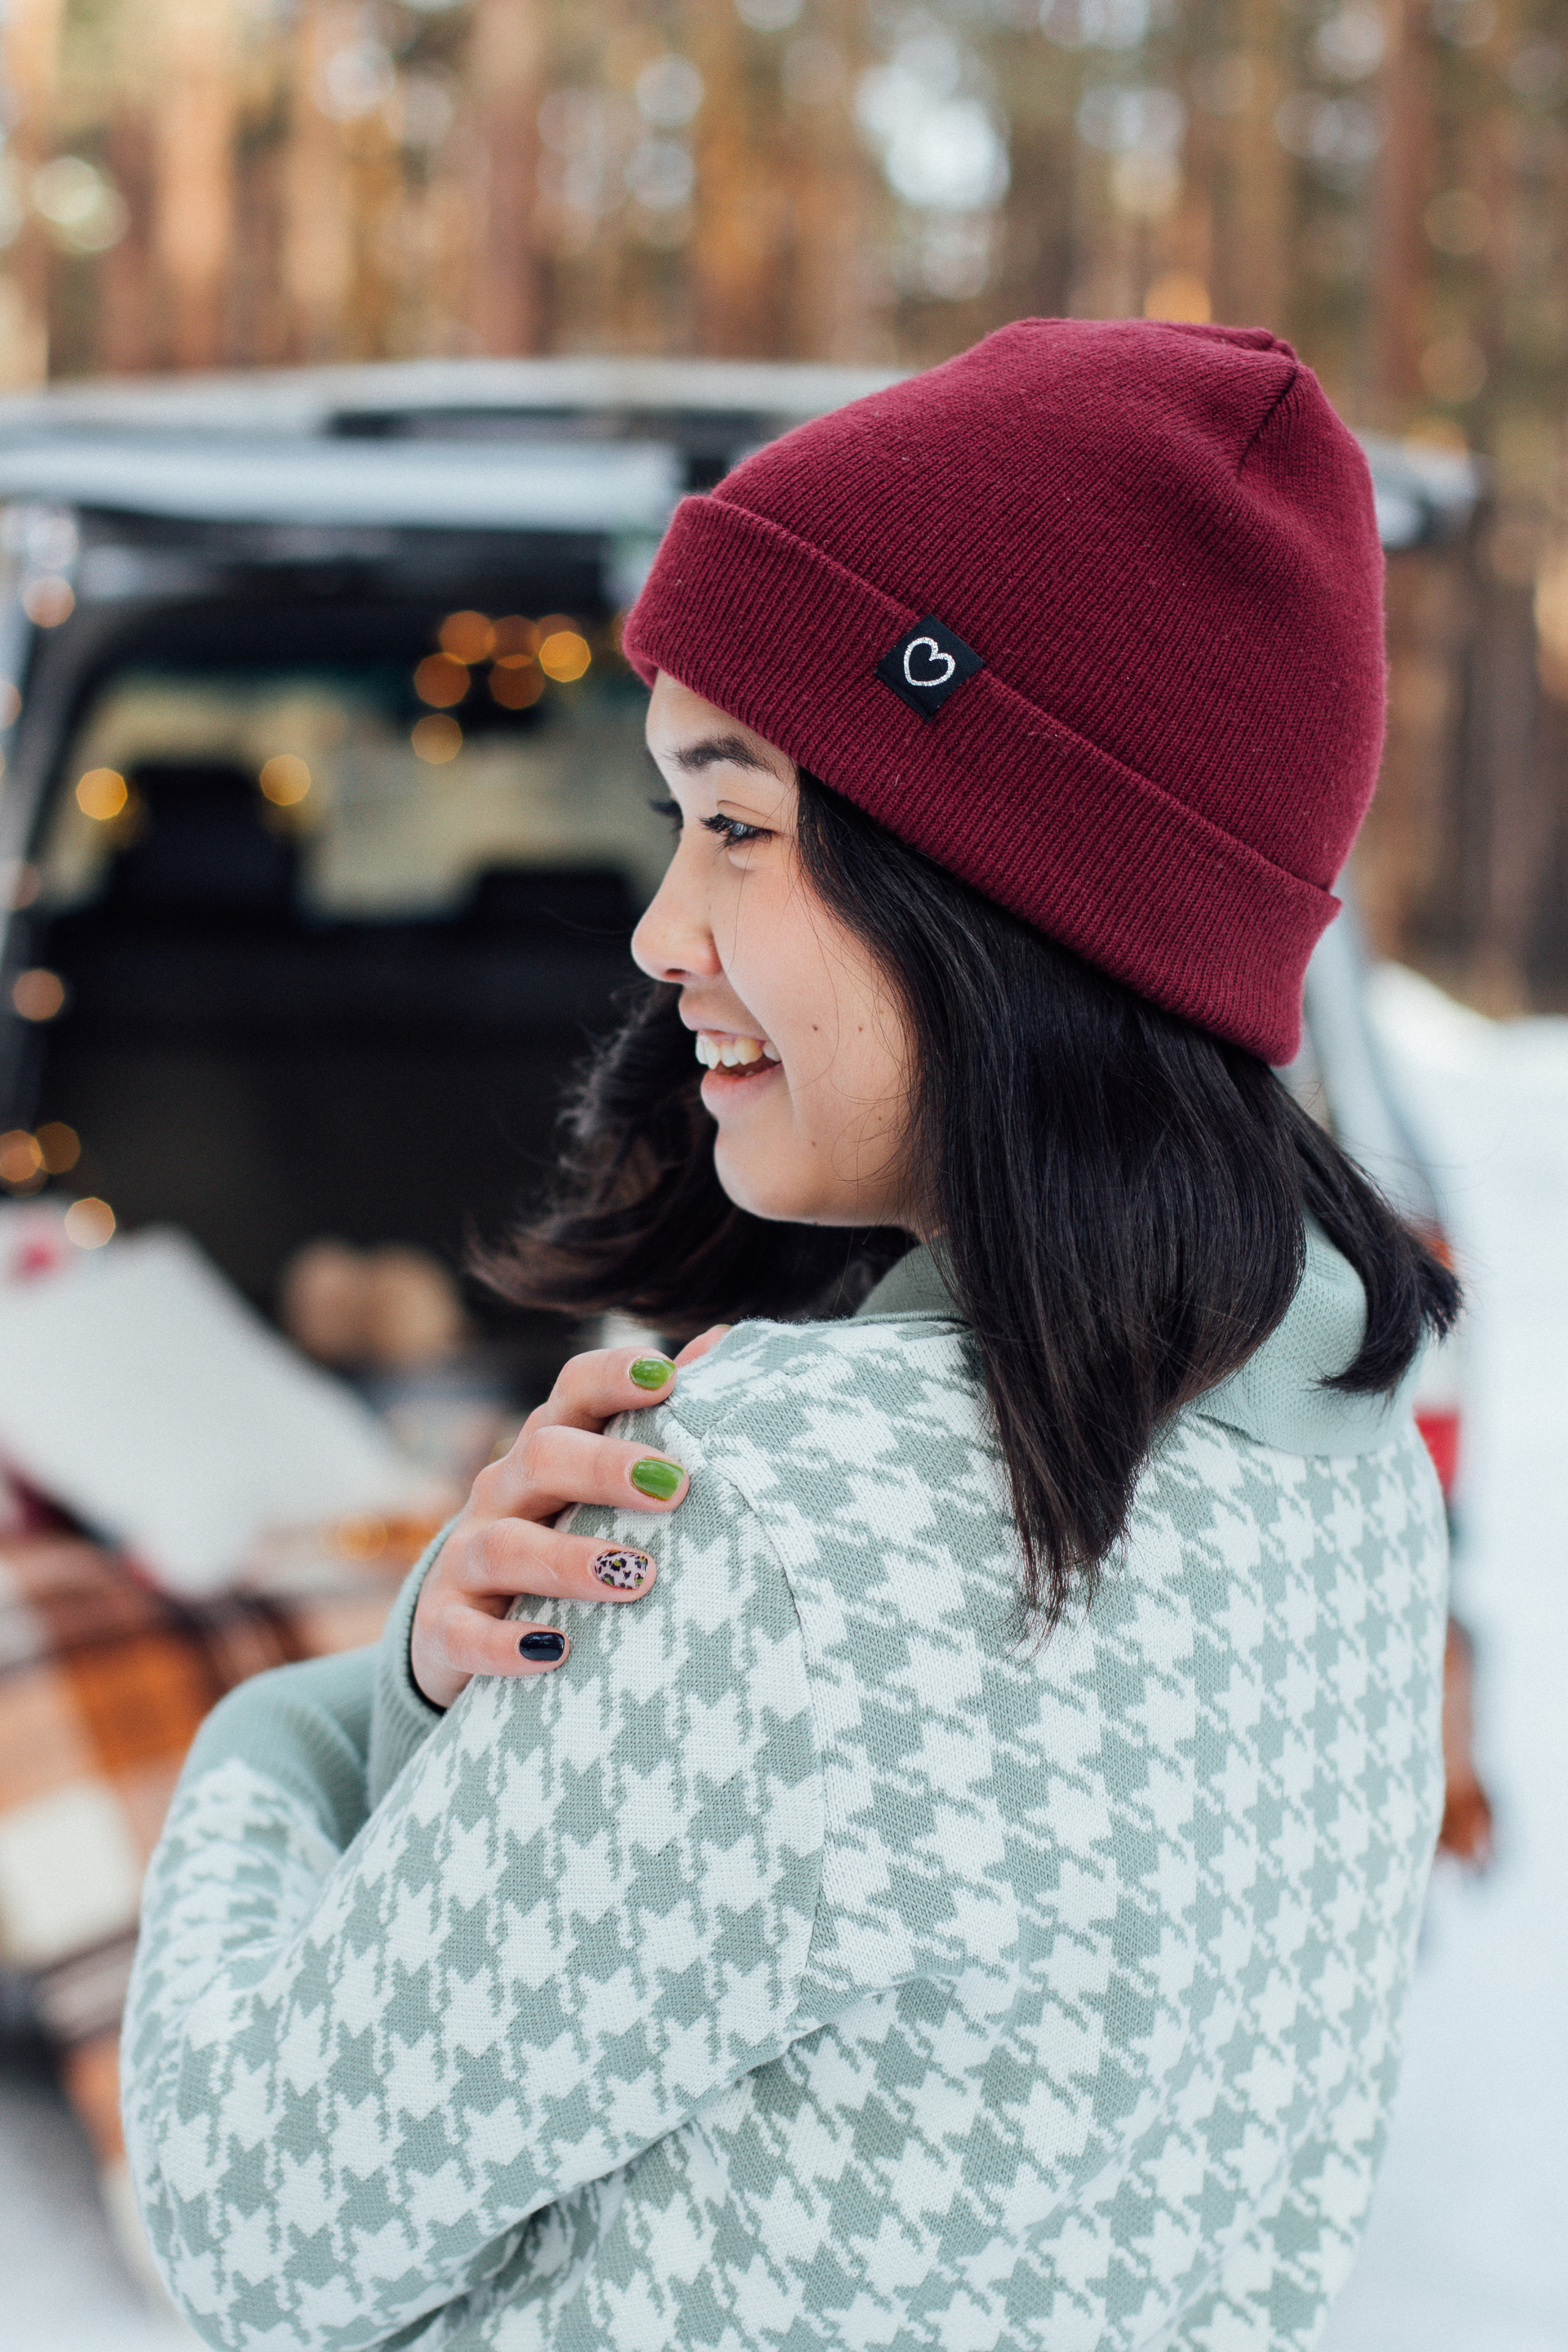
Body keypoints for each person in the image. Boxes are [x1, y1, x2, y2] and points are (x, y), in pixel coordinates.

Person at [123, 320, 1459, 2352]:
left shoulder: (796, 1514)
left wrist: (297, 1726)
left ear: (1002, 888)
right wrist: (452, 1695)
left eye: (733, 821)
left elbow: (251, 2220)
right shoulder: (1347, 1464)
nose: (660, 931)